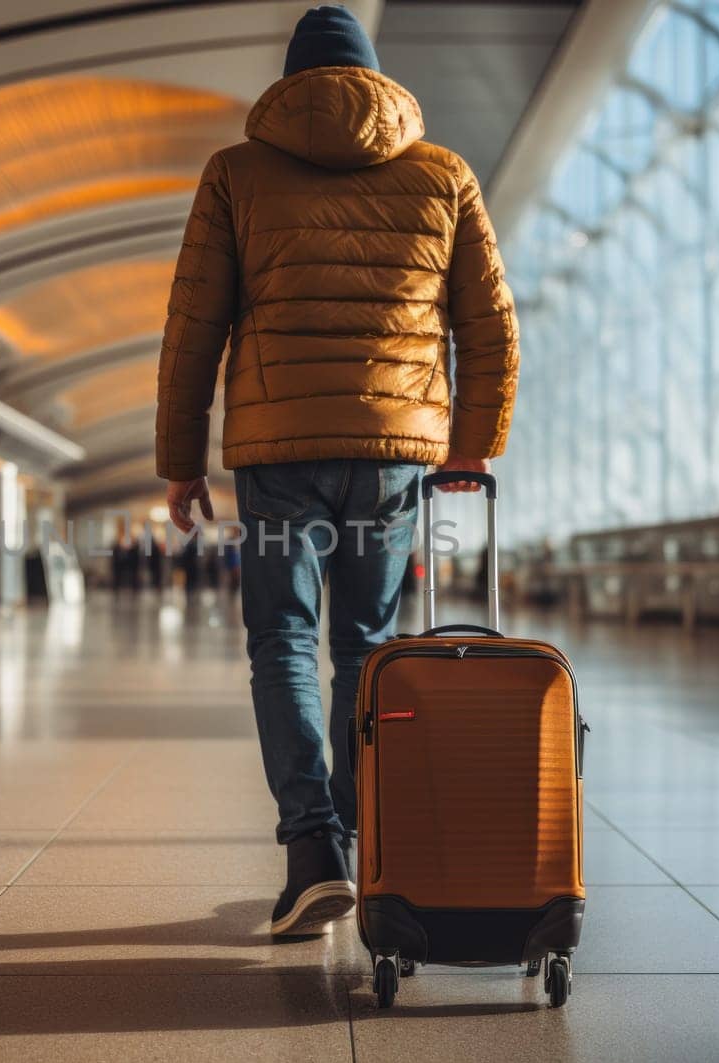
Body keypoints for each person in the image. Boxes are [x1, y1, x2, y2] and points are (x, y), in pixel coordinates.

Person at [154, 5, 520, 937]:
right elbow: (490, 326)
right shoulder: (443, 175)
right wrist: (471, 440)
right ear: (376, 78)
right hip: (394, 458)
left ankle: (312, 849)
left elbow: (193, 323)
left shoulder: (237, 172)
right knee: (364, 646)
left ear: (289, 82)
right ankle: (369, 835)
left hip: (278, 455)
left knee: (281, 640)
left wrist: (179, 460)